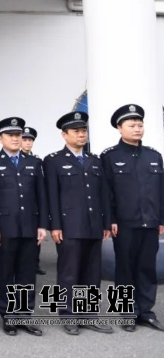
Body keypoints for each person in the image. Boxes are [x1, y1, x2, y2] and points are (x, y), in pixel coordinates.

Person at [44, 111, 112, 336]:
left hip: (93, 225)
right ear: (64, 135)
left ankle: (88, 315)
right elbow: (52, 195)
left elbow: (103, 194)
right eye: (76, 131)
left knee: (92, 273)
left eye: (84, 131)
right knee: (69, 273)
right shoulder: (54, 161)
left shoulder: (95, 160)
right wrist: (55, 225)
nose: (81, 135)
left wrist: (106, 222)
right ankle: (68, 315)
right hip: (69, 226)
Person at [102, 104, 164, 332]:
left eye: (140, 124)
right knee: (125, 268)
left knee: (147, 268)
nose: (137, 129)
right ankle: (127, 313)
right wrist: (110, 220)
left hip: (150, 222)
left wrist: (161, 219)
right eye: (131, 125)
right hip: (124, 223)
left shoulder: (154, 156)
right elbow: (106, 192)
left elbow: (160, 190)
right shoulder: (110, 156)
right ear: (120, 128)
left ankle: (145, 312)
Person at [0, 117, 47, 336]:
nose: (15, 139)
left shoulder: (34, 162)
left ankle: (24, 315)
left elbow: (41, 195)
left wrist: (42, 224)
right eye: (10, 135)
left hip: (30, 225)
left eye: (18, 135)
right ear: (0, 138)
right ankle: (9, 316)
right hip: (5, 227)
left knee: (27, 273)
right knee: (5, 273)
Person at [21, 126, 46, 276]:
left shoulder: (36, 161)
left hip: (33, 206)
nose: (28, 143)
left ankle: (35, 264)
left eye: (30, 140)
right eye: (25, 139)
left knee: (36, 239)